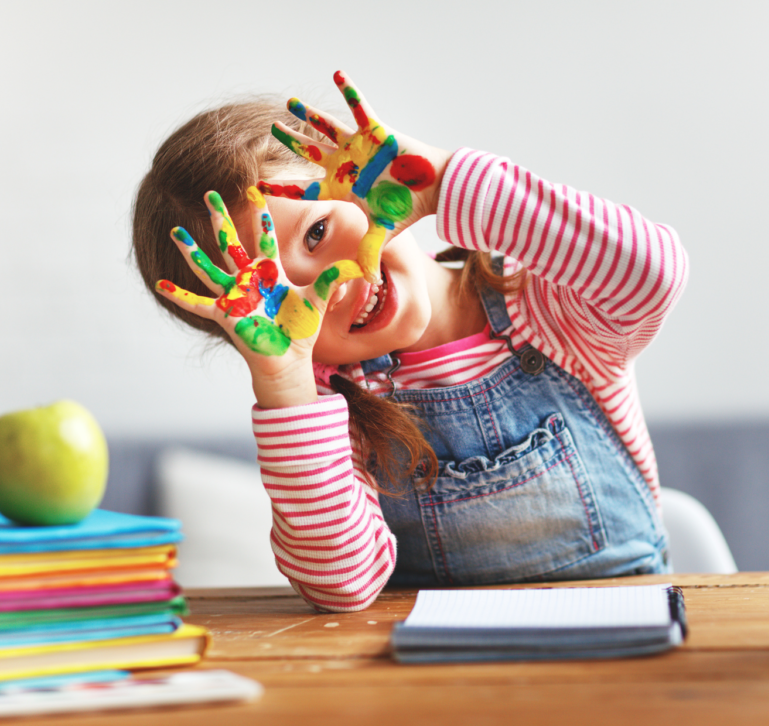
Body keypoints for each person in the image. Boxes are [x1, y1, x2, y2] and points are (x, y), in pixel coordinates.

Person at [132, 72, 688, 612]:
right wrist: (285, 384)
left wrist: (441, 181)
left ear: (364, 183)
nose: (332, 284)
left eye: (317, 232)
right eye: (274, 297)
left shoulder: (545, 306)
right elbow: (341, 586)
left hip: (627, 632)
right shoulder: (330, 406)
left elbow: (651, 274)